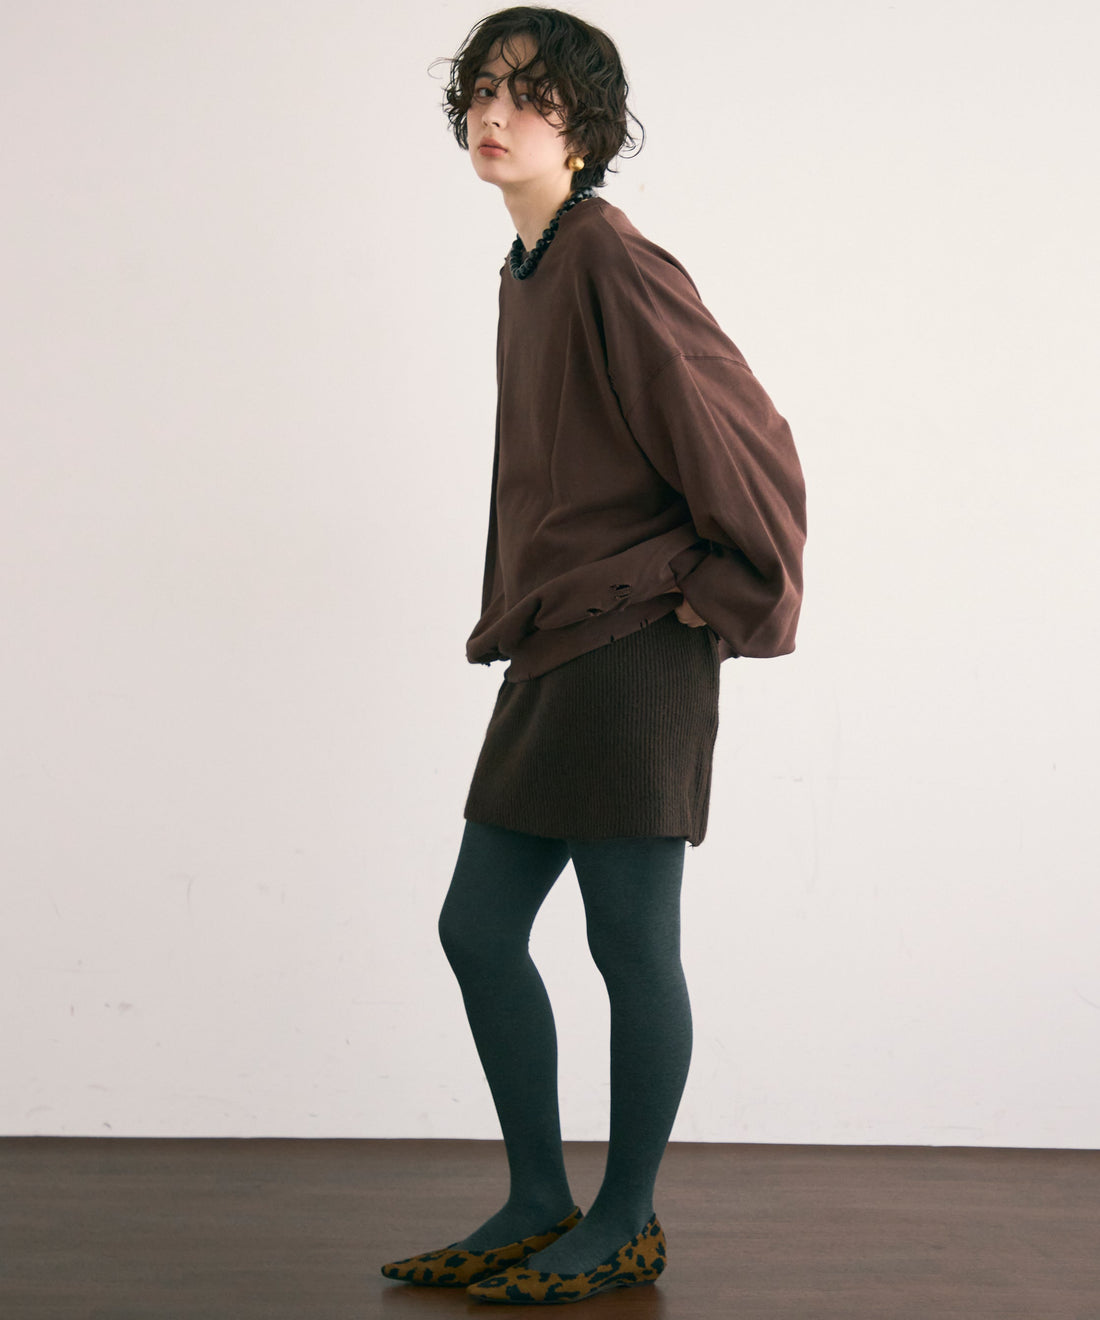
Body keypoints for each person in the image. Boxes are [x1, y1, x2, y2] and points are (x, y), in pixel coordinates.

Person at [381, 5, 806, 1305]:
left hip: (636, 649)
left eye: (531, 95)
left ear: (585, 130)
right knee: (476, 929)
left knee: (630, 944)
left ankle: (625, 1220)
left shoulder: (609, 255)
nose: (495, 114)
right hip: (559, 648)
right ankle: (536, 1199)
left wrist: (729, 587)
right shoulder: (531, 265)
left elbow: (747, 433)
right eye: (482, 91)